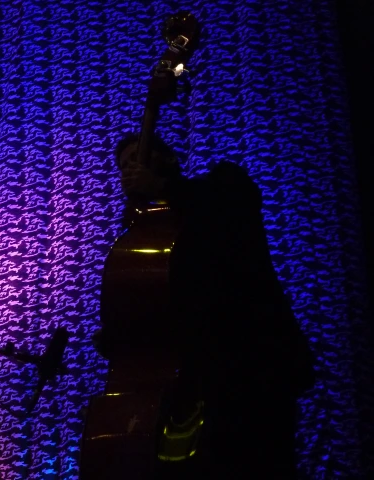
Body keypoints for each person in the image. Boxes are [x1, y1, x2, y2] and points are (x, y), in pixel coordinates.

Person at [100, 135, 315, 479]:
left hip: (253, 366)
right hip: (192, 380)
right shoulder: (142, 234)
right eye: (124, 164)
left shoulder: (222, 185)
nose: (131, 167)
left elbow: (231, 211)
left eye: (139, 156)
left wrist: (162, 186)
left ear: (168, 160)